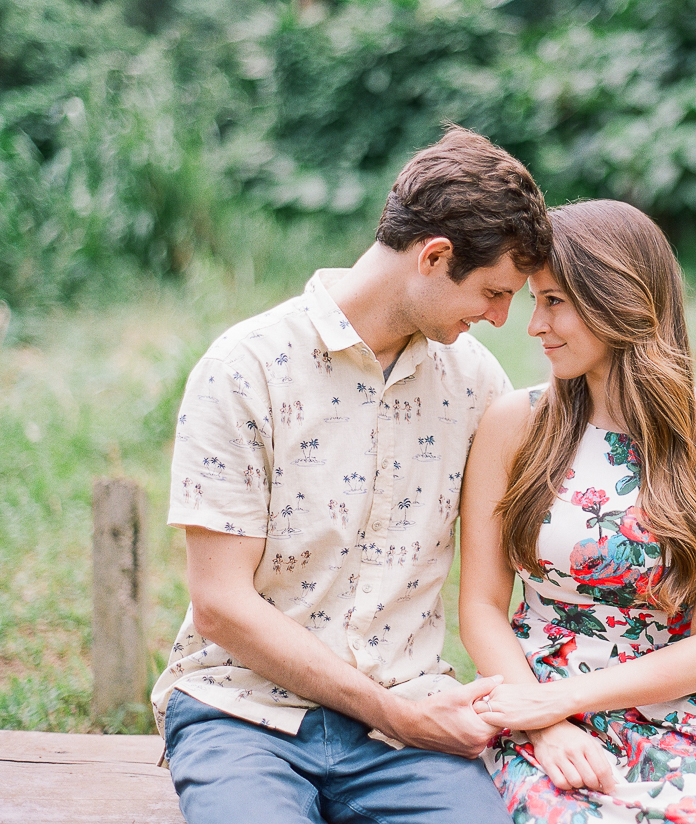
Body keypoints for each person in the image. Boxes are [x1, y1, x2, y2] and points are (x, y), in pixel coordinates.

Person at [150, 126, 552, 824]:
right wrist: (397, 713)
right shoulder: (245, 367)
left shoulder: (477, 383)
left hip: (408, 726)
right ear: (434, 256)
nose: (499, 316)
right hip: (244, 712)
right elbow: (218, 603)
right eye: (493, 291)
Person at [458, 199, 696, 823]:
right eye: (534, 301)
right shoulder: (513, 426)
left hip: (683, 714)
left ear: (616, 300)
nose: (534, 326)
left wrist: (564, 701)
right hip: (531, 701)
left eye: (554, 302)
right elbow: (480, 606)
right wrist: (544, 722)